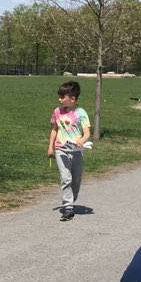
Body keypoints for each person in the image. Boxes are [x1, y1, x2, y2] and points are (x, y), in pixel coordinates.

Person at [47, 81, 91, 222]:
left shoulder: (81, 113)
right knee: (66, 179)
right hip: (61, 149)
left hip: (76, 150)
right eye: (59, 97)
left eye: (62, 97)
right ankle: (68, 207)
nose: (60, 100)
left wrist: (82, 140)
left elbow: (87, 133)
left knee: (76, 180)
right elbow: (55, 129)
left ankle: (71, 199)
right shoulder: (57, 111)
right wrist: (50, 147)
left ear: (73, 99)